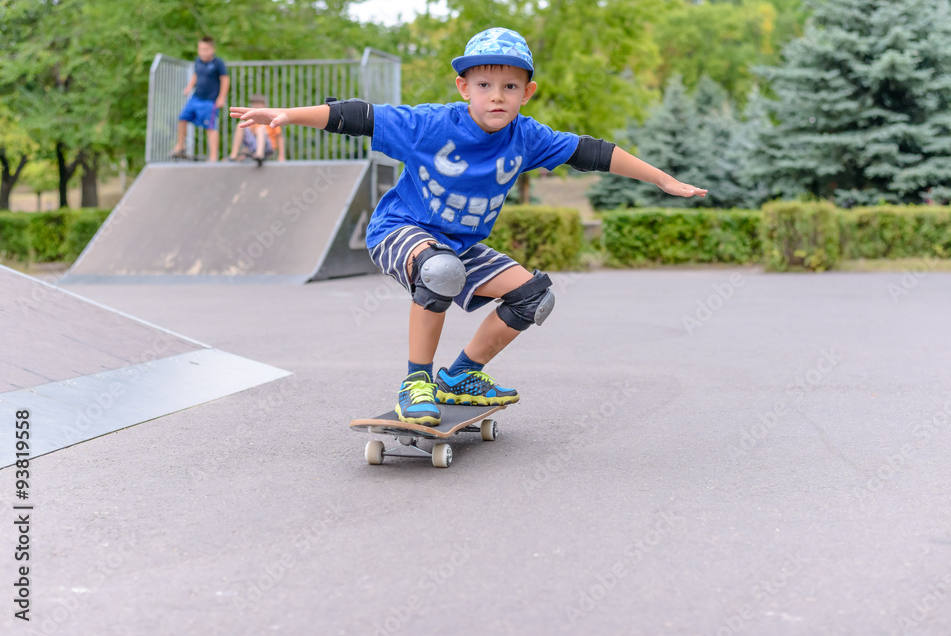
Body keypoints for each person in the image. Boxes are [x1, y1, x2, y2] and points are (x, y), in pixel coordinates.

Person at [230, 27, 706, 426]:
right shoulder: (430, 125)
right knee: (439, 271)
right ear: (464, 88)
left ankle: (459, 376)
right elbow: (358, 115)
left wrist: (662, 179)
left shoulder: (529, 135)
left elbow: (593, 152)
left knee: (535, 297)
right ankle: (416, 380)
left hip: (459, 244)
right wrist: (288, 116)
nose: (496, 97)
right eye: (484, 86)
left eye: (510, 88)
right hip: (402, 229)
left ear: (527, 92)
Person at [170, 36, 229, 162]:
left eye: (206, 49)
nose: (203, 52)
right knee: (182, 118)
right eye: (201, 49)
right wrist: (189, 87)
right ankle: (180, 146)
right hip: (196, 98)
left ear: (212, 49)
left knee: (210, 126)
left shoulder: (218, 63)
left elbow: (225, 79)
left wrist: (221, 98)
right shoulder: (198, 61)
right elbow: (196, 75)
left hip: (210, 101)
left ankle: (213, 156)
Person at [228, 94, 285, 166]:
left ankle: (259, 155)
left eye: (258, 104)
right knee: (241, 124)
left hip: (267, 147)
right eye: (254, 104)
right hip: (254, 146)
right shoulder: (250, 118)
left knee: (260, 128)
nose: (256, 106)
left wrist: (281, 156)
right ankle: (233, 155)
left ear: (264, 105)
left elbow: (279, 137)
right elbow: (249, 137)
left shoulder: (271, 118)